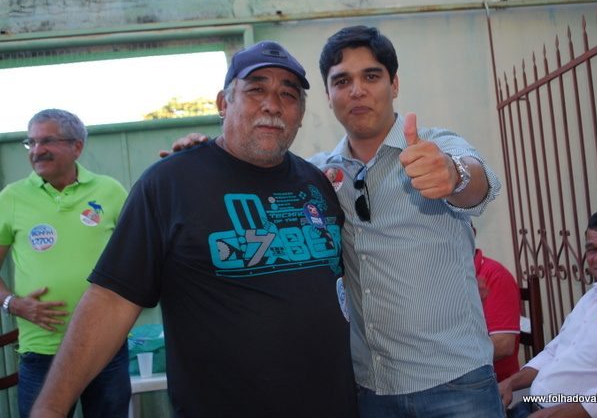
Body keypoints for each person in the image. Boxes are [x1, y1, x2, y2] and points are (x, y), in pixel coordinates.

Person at [165, 26, 505, 417]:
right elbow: (251, 173)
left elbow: (479, 183)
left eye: (371, 76)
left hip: (456, 385)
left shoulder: (435, 147)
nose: (357, 91)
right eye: (342, 81)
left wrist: (452, 174)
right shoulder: (315, 178)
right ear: (327, 96)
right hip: (369, 390)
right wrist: (206, 155)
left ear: (394, 84)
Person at [31, 41, 358, 418]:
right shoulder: (169, 184)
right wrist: (50, 408)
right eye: (256, 89)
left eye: (289, 94)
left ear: (300, 113)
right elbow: (111, 301)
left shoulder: (316, 184)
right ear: (223, 103)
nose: (273, 105)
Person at [0, 109, 131, 418]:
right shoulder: (11, 197)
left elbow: (136, 257)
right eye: (31, 142)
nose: (37, 150)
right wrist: (12, 304)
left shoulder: (110, 191)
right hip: (42, 351)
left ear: (77, 147)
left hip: (105, 347)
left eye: (47, 141)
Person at [499, 207, 597, 418]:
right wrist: (510, 383)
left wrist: (555, 414)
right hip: (530, 405)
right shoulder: (593, 296)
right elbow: (556, 350)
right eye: (591, 249)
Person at [473, 224, 521, 382]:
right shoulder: (444, 276)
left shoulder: (495, 275)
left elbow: (503, 345)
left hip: (493, 383)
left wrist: (447, 360)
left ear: (471, 234)